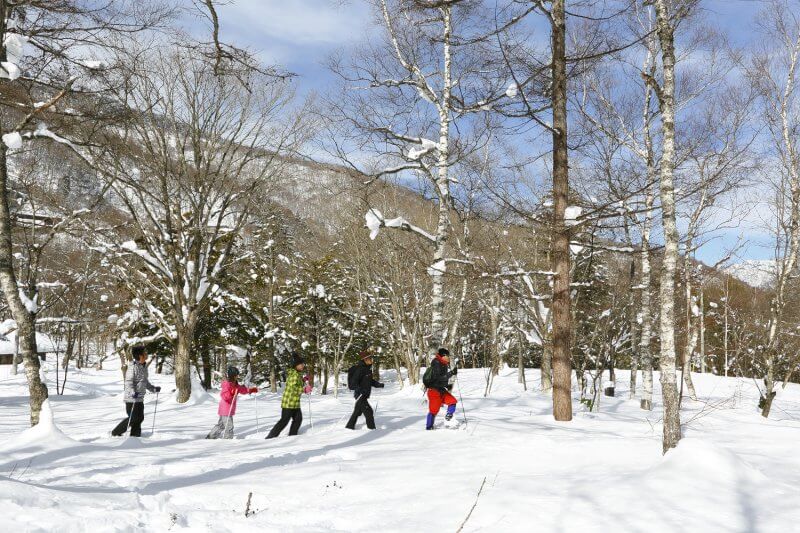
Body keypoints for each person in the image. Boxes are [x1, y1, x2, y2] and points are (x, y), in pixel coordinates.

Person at [111, 345, 160, 437]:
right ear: (140, 356)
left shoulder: (143, 367)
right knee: (133, 418)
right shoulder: (132, 367)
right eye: (145, 353)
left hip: (140, 398)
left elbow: (144, 381)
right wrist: (133, 393)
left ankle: (135, 436)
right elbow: (129, 383)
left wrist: (153, 388)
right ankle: (116, 432)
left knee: (140, 418)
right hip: (131, 399)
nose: (146, 355)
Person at [266, 353, 311, 439]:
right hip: (289, 403)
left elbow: (297, 382)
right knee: (284, 421)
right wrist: (304, 390)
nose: (302, 365)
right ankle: (270, 437)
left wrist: (303, 379)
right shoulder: (294, 375)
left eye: (302, 364)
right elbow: (293, 388)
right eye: (300, 364)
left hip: (295, 403)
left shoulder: (297, 374)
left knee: (298, 419)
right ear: (295, 365)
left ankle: (292, 437)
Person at [206, 366, 258, 439]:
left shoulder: (235, 384)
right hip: (226, 408)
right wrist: (231, 393)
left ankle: (211, 436)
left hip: (228, 409)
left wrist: (251, 390)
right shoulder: (227, 384)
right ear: (233, 376)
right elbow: (224, 395)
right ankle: (228, 440)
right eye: (236, 375)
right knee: (229, 426)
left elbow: (242, 390)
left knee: (221, 425)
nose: (237, 376)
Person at [345, 350, 385, 430]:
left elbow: (370, 381)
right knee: (369, 412)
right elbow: (353, 384)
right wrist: (360, 390)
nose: (371, 360)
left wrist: (378, 385)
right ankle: (372, 429)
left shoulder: (367, 370)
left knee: (357, 412)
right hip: (360, 395)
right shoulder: (360, 370)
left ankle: (349, 426)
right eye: (370, 358)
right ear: (365, 359)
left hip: (364, 395)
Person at [425, 347, 458, 430]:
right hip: (434, 391)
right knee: (433, 411)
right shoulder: (436, 362)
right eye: (447, 356)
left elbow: (441, 379)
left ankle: (448, 416)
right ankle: (429, 427)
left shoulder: (444, 364)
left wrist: (447, 386)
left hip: (441, 390)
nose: (449, 358)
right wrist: (451, 373)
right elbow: (439, 377)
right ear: (443, 356)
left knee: (452, 401)